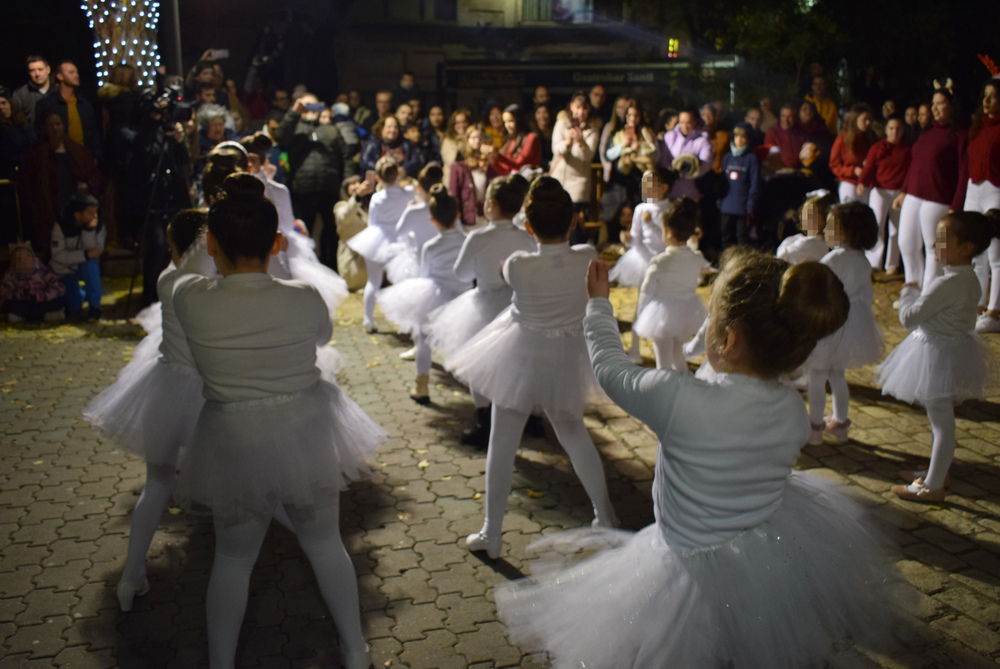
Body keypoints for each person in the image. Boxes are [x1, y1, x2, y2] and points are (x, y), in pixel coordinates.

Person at [497, 251, 911, 668]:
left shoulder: (678, 398)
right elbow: (738, 398)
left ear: (729, 339)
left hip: (682, 566)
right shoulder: (792, 413)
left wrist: (599, 304)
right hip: (762, 558)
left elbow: (610, 369)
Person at [170, 174, 384, 669]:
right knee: (325, 542)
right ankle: (354, 650)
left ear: (212, 242)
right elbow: (323, 335)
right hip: (304, 429)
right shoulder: (303, 297)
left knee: (233, 558)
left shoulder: (189, 298)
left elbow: (192, 270)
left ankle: (221, 662)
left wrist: (213, 238)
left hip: (232, 436)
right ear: (278, 243)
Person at [446, 176, 617, 559]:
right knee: (573, 432)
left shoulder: (520, 265)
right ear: (574, 221)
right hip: (567, 358)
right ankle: (605, 515)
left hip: (520, 358)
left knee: (503, 442)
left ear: (529, 226)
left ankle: (492, 533)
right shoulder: (587, 253)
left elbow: (506, 272)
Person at [82, 211, 207, 612]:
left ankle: (131, 575)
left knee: (156, 483)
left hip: (164, 388)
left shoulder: (168, 278)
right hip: (205, 394)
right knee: (246, 480)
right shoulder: (206, 286)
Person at [877, 211, 1000, 502]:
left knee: (942, 422)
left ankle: (933, 485)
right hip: (951, 350)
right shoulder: (969, 278)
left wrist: (907, 293)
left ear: (966, 248)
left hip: (935, 354)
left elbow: (909, 318)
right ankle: (936, 469)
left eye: (943, 239)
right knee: (941, 418)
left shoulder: (946, 284)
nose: (933, 244)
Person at [425, 175, 536, 445]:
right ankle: (530, 415)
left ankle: (484, 418)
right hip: (517, 303)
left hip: (485, 305)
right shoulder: (526, 237)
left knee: (479, 362)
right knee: (522, 360)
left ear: (491, 205)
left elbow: (462, 274)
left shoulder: (478, 237)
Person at [378, 185, 471, 403]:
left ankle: (422, 386)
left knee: (423, 339)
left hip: (434, 295)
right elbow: (469, 272)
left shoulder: (430, 246)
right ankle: (471, 382)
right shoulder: (467, 241)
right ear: (458, 215)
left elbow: (426, 274)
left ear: (432, 220)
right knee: (466, 339)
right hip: (463, 297)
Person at [805, 202, 883, 445]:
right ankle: (840, 423)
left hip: (830, 323)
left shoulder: (835, 257)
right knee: (838, 374)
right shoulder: (862, 260)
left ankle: (815, 429)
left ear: (847, 232)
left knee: (816, 375)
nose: (826, 230)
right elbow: (866, 296)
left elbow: (817, 284)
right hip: (852, 324)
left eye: (831, 226)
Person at [894, 89, 967, 290]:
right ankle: (913, 287)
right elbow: (915, 164)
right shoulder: (926, 133)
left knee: (934, 250)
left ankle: (929, 296)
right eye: (933, 103)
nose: (934, 108)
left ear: (952, 106)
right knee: (906, 243)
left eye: (941, 103)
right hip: (914, 195)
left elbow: (964, 173)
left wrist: (956, 206)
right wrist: (904, 191)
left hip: (938, 199)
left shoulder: (960, 135)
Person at [632, 198, 709, 371]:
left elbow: (646, 291)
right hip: (687, 311)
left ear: (668, 232)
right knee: (677, 354)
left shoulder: (659, 262)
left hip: (662, 315)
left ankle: (667, 391)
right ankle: (684, 386)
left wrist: (641, 314)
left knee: (663, 363)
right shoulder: (696, 258)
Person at [275, 93, 349, 267]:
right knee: (303, 231)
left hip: (329, 187)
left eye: (314, 106)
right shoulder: (295, 129)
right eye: (306, 106)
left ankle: (332, 266)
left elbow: (345, 156)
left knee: (331, 231)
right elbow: (281, 138)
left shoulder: (330, 130)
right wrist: (294, 113)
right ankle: (302, 267)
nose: (310, 110)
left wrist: (346, 182)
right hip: (302, 188)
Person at [610, 167, 677, 360]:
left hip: (665, 263)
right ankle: (635, 350)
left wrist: (652, 224)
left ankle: (667, 351)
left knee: (665, 306)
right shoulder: (640, 209)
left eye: (650, 184)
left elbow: (669, 240)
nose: (644, 187)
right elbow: (637, 239)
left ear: (663, 187)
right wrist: (627, 239)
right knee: (641, 306)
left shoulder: (671, 209)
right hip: (643, 262)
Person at [348, 156, 414, 332]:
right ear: (397, 174)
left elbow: (372, 222)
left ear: (378, 178)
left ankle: (368, 320)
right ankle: (405, 321)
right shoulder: (408, 192)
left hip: (378, 240)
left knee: (373, 281)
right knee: (402, 283)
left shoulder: (377, 198)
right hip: (400, 241)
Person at [20, 111, 100, 251]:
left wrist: (88, 185)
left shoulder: (77, 150)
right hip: (50, 207)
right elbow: (28, 182)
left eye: (58, 124)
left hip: (74, 203)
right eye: (51, 125)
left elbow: (94, 174)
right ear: (45, 128)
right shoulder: (37, 153)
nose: (55, 128)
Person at [963, 80, 1000, 333]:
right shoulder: (976, 129)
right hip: (973, 190)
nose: (987, 101)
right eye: (985, 96)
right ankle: (977, 304)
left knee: (996, 256)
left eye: (993, 96)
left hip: (995, 191)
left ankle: (994, 311)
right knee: (976, 253)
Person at [859, 117, 911, 273]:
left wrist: (905, 191)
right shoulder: (878, 147)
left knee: (896, 229)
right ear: (886, 130)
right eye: (891, 128)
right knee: (877, 225)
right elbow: (869, 166)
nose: (894, 132)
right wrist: (862, 182)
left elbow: (910, 172)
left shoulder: (907, 149)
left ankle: (892, 264)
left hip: (898, 192)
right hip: (880, 190)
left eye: (898, 128)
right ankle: (874, 263)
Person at [384, 162, 445, 284]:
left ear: (419, 188)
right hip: (442, 262)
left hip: (420, 264)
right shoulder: (446, 208)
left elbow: (399, 234)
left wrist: (407, 210)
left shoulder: (413, 212)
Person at [550, 91, 601, 226]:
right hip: (559, 178)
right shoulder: (561, 124)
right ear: (572, 107)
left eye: (584, 108)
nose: (581, 112)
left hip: (578, 182)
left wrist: (581, 142)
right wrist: (568, 142)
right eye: (578, 107)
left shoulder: (592, 131)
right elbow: (556, 149)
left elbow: (587, 156)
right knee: (557, 219)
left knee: (573, 220)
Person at [50, 192, 104, 320]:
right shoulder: (61, 225)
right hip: (65, 267)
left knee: (91, 265)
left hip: (85, 262)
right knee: (74, 308)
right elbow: (58, 255)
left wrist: (88, 231)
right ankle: (79, 296)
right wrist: (83, 254)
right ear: (77, 215)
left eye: (95, 212)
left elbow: (95, 250)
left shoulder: (97, 224)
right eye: (90, 213)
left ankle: (95, 307)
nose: (94, 216)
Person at [34, 60, 102, 159]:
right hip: (57, 158)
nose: (76, 75)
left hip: (83, 157)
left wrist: (96, 156)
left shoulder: (84, 104)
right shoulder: (47, 104)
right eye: (71, 72)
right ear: (60, 76)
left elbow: (94, 133)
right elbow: (40, 133)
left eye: (77, 72)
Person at [719, 123, 761, 248]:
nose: (739, 140)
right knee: (726, 235)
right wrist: (720, 200)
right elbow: (722, 182)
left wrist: (751, 204)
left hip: (742, 207)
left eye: (743, 137)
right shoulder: (727, 157)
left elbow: (755, 182)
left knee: (741, 237)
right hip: (727, 205)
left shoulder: (751, 158)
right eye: (737, 136)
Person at [0, 242, 65, 323]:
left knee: (58, 302)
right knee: (10, 306)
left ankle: (47, 315)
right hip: (24, 304)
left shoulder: (41, 271)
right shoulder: (10, 274)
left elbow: (59, 287)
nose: (22, 262)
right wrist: (22, 294)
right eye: (18, 260)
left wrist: (40, 295)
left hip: (42, 303)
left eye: (25, 258)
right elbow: (4, 291)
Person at [449, 124, 498, 229]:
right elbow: (453, 193)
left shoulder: (488, 163)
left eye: (480, 137)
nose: (477, 140)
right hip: (468, 217)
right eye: (474, 137)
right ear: (468, 139)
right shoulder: (459, 165)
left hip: (485, 216)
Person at [661, 109, 713, 202]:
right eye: (682, 122)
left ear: (695, 121)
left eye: (688, 123)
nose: (685, 126)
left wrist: (690, 170)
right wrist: (672, 173)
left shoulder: (703, 139)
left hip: (691, 194)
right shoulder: (670, 136)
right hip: (671, 193)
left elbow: (706, 163)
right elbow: (663, 160)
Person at [829, 103, 876, 204]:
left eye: (869, 119)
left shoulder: (872, 137)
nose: (868, 122)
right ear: (855, 120)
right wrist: (853, 170)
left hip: (866, 182)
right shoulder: (843, 139)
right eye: (864, 119)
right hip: (849, 181)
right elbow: (834, 165)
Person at [776, 191, 835, 265]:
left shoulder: (812, 243)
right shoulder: (817, 242)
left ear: (821, 219)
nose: (803, 218)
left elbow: (782, 256)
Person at [492, 104, 541, 175]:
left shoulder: (531, 138)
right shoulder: (510, 140)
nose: (507, 125)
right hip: (513, 182)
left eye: (510, 121)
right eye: (505, 122)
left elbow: (519, 165)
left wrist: (497, 155)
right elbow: (506, 171)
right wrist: (492, 160)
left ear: (519, 120)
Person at [12, 55, 53, 126]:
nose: (37, 74)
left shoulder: (59, 91)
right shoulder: (20, 94)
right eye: (32, 70)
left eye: (40, 69)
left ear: (48, 69)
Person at [764, 103, 805, 170]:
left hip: (798, 172)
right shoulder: (772, 133)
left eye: (790, 117)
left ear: (795, 117)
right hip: (779, 173)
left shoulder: (800, 132)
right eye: (783, 116)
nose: (786, 120)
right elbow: (770, 158)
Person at [440, 108, 472, 174]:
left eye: (464, 122)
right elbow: (452, 162)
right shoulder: (448, 140)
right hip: (453, 179)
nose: (461, 125)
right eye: (458, 122)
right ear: (453, 124)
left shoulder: (474, 137)